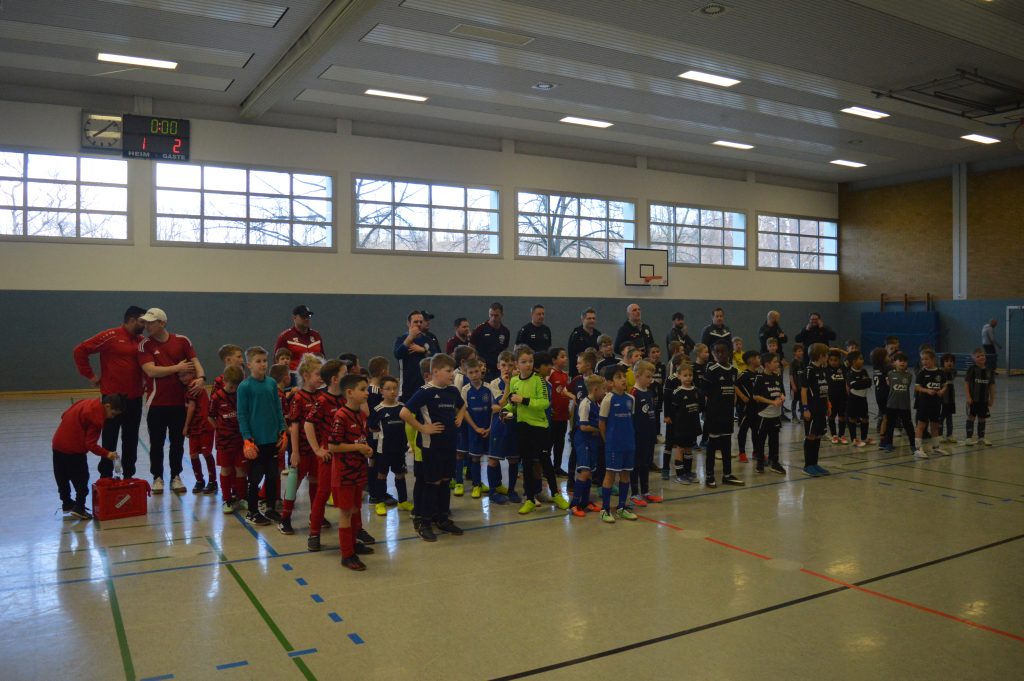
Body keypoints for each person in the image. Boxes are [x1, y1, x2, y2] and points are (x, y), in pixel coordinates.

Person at [73, 305, 146, 479]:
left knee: (131, 440)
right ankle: (105, 475)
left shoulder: (142, 341)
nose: (145, 325)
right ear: (131, 320)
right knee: (109, 438)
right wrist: (90, 375)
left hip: (135, 399)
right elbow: (80, 350)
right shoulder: (110, 336)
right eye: (142, 321)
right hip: (112, 400)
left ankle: (129, 475)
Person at [137, 308, 204, 495]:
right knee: (156, 444)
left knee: (177, 443)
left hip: (179, 403)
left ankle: (176, 476)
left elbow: (195, 362)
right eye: (146, 322)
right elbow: (151, 370)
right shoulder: (145, 345)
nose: (147, 326)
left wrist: (201, 378)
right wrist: (177, 368)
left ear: (162, 323)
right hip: (156, 404)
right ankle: (157, 477)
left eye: (151, 322)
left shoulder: (182, 341)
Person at [401, 353, 467, 542]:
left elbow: (463, 406)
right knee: (432, 483)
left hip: (449, 444)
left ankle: (442, 518)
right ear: (435, 371)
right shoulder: (425, 391)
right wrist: (423, 428)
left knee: (445, 481)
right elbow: (404, 412)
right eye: (448, 371)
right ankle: (424, 522)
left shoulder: (452, 390)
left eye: (452, 371)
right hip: (432, 446)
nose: (452, 375)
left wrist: (460, 416)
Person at [507, 349, 568, 514]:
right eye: (524, 362)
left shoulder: (539, 380)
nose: (528, 365)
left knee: (545, 462)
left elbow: (544, 403)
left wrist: (524, 400)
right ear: (517, 364)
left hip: (540, 427)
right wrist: (505, 411)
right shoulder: (514, 381)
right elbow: (513, 404)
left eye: (530, 361)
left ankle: (556, 494)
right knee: (527, 464)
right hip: (523, 427)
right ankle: (529, 499)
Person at [327, 374, 375, 571]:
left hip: (358, 470)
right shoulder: (341, 416)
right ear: (349, 393)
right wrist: (358, 448)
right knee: (346, 513)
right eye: (362, 389)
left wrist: (366, 449)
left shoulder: (361, 415)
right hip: (344, 474)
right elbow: (333, 446)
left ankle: (354, 543)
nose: (366, 393)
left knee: (356, 509)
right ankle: (347, 555)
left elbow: (359, 440)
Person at [52, 394, 124, 519]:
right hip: (74, 451)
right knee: (82, 480)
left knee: (62, 477)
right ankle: (79, 508)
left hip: (57, 445)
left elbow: (64, 415)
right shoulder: (96, 419)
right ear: (107, 406)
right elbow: (90, 445)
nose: (112, 417)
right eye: (113, 414)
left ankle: (67, 503)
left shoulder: (85, 402)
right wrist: (107, 454)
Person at [236, 346, 286, 526]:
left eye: (265, 361)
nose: (263, 364)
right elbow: (242, 415)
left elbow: (278, 409)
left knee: (272, 475)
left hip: (272, 439)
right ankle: (252, 511)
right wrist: (247, 439)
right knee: (255, 478)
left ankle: (270, 508)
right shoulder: (245, 387)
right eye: (258, 361)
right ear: (249, 364)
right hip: (256, 441)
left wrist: (282, 430)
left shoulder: (271, 383)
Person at [280, 354, 324, 534]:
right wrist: (295, 451)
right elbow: (295, 426)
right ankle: (285, 518)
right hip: (302, 450)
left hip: (317, 449)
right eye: (318, 374)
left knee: (316, 481)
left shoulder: (321, 396)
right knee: (294, 482)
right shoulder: (298, 398)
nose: (321, 378)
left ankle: (316, 515)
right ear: (306, 375)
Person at [306, 360, 347, 550]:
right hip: (328, 455)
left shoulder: (347, 397)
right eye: (345, 373)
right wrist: (317, 449)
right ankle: (314, 533)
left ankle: (356, 531)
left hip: (346, 454)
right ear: (335, 379)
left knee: (350, 494)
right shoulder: (322, 400)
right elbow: (308, 424)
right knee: (322, 493)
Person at [598, 366, 639, 522]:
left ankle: (622, 507)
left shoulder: (631, 399)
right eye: (618, 377)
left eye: (624, 376)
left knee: (625, 474)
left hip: (628, 444)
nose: (623, 379)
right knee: (610, 475)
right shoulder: (608, 399)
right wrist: (607, 440)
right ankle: (605, 509)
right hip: (614, 445)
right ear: (610, 382)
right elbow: (602, 424)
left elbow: (630, 421)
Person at [701, 342, 745, 487]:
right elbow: (703, 391)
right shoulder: (712, 370)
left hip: (727, 414)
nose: (720, 354)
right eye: (717, 352)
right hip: (714, 415)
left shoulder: (733, 370)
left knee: (726, 444)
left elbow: (735, 388)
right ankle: (709, 475)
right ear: (713, 354)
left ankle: (727, 475)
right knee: (712, 446)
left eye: (723, 351)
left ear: (729, 352)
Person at [368, 376, 412, 515]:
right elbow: (372, 428)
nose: (392, 391)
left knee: (400, 474)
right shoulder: (378, 409)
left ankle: (403, 501)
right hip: (383, 450)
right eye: (388, 389)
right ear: (382, 391)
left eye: (394, 388)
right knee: (382, 475)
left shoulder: (402, 407)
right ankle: (380, 502)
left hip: (399, 449)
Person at [209, 366, 246, 512]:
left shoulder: (240, 395)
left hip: (239, 439)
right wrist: (219, 428)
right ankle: (227, 499)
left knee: (240, 468)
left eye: (236, 387)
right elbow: (210, 416)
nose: (233, 389)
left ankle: (242, 497)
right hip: (224, 441)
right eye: (231, 386)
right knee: (226, 469)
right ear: (224, 381)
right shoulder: (216, 397)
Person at [568, 374, 605, 517]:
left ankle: (585, 502)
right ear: (595, 389)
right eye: (602, 389)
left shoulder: (596, 404)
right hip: (583, 440)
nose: (604, 392)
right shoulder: (585, 403)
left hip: (592, 441)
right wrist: (599, 429)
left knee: (589, 473)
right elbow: (583, 426)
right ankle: (574, 504)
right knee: (584, 472)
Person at [628, 361, 662, 506]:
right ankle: (634, 493)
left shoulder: (649, 392)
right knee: (636, 464)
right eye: (647, 377)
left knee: (646, 464)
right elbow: (630, 418)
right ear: (637, 376)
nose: (650, 380)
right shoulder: (633, 394)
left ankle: (646, 491)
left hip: (649, 436)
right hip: (637, 437)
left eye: (651, 377)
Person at [460, 359, 493, 499]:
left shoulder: (489, 388)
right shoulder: (465, 390)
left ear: (481, 371)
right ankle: (476, 485)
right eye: (471, 372)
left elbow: (494, 410)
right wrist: (475, 428)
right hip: (474, 430)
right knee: (475, 458)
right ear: (466, 374)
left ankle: (494, 485)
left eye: (476, 371)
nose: (474, 375)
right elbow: (464, 411)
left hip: (489, 429)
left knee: (492, 458)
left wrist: (490, 427)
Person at [180, 367, 216, 494]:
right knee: (193, 454)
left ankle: (212, 481)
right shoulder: (186, 387)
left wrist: (185, 426)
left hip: (204, 425)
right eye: (180, 376)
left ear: (193, 374)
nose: (182, 378)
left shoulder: (193, 386)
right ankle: (199, 480)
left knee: (206, 453)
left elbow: (191, 407)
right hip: (195, 427)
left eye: (185, 375)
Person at [751, 353, 786, 475]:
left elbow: (782, 392)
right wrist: (772, 402)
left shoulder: (777, 377)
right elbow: (755, 396)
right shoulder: (760, 378)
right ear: (767, 364)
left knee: (774, 441)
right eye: (775, 362)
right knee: (761, 440)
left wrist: (782, 397)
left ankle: (774, 463)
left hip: (776, 415)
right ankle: (760, 463)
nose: (777, 364)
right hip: (764, 414)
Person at [801, 343, 832, 475]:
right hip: (812, 408)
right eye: (826, 355)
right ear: (820, 356)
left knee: (818, 435)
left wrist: (828, 405)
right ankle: (808, 465)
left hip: (821, 408)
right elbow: (803, 390)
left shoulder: (823, 369)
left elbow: (825, 389)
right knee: (811, 435)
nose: (828, 357)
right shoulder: (809, 370)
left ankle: (815, 463)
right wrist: (805, 408)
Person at [913, 349, 948, 459]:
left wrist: (942, 390)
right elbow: (917, 387)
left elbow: (945, 384)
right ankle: (918, 448)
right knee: (921, 425)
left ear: (933, 359)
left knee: (935, 425)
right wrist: (927, 390)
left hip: (936, 403)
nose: (924, 361)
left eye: (926, 359)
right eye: (922, 359)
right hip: (924, 403)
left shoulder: (940, 372)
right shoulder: (922, 373)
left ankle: (936, 447)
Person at [670, 363, 701, 483]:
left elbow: (699, 407)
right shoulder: (677, 392)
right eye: (685, 375)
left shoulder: (696, 390)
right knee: (680, 448)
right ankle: (680, 474)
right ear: (679, 376)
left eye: (690, 375)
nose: (688, 378)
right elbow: (674, 411)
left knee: (689, 448)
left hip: (693, 425)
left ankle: (688, 472)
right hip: (681, 427)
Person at [880, 352, 916, 454]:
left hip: (904, 406)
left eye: (904, 361)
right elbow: (888, 383)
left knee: (908, 426)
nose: (902, 363)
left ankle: (913, 444)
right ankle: (888, 444)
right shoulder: (890, 374)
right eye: (900, 361)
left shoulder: (909, 375)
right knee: (890, 425)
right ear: (894, 362)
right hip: (892, 404)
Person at [393, 310, 430, 402]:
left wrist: (423, 350)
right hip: (407, 386)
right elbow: (398, 354)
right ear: (408, 323)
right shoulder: (401, 339)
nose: (419, 324)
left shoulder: (427, 339)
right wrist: (410, 338)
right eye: (416, 322)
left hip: (424, 384)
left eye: (421, 322)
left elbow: (436, 356)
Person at [275, 305, 325, 372]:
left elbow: (323, 358)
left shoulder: (316, 336)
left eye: (309, 316)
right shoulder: (285, 337)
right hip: (293, 376)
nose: (306, 319)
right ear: (294, 317)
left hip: (314, 376)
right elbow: (277, 362)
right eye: (303, 316)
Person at [470, 302, 510, 380]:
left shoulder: (505, 331)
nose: (493, 318)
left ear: (502, 315)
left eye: (496, 315)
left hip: (498, 369)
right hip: (483, 369)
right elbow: (471, 347)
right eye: (491, 315)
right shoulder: (480, 329)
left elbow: (504, 350)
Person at [965, 348, 996, 446]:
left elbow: (991, 385)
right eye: (978, 356)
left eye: (982, 355)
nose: (981, 357)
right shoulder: (972, 369)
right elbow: (966, 383)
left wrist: (992, 399)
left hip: (984, 400)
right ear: (974, 358)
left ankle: (981, 438)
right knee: (971, 417)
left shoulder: (989, 371)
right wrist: (968, 396)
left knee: (982, 418)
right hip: (973, 399)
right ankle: (968, 438)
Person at [734, 350, 761, 464]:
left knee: (756, 430)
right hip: (745, 408)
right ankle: (742, 453)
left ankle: (756, 452)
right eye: (758, 358)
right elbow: (734, 385)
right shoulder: (744, 375)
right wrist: (742, 396)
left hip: (756, 408)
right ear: (751, 360)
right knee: (743, 430)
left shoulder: (759, 374)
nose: (759, 360)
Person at [547, 347, 571, 476]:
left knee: (560, 443)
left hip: (563, 415)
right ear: (554, 360)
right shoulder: (550, 373)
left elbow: (565, 392)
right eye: (562, 356)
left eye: (565, 356)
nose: (565, 358)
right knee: (549, 443)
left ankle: (557, 467)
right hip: (552, 416)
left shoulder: (565, 375)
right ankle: (546, 468)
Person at [844, 351, 873, 447]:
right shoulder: (850, 373)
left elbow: (869, 382)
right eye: (860, 359)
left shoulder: (864, 371)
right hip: (853, 398)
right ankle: (854, 439)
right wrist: (863, 382)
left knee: (865, 418)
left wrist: (861, 382)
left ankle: (864, 438)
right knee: (852, 418)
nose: (862, 361)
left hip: (863, 398)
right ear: (853, 361)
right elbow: (854, 385)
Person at [567, 308, 601, 377]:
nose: (592, 320)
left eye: (593, 318)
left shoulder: (598, 335)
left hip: (594, 372)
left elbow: (600, 354)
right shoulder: (576, 334)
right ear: (582, 319)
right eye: (589, 318)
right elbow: (572, 356)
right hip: (577, 373)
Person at [825, 350, 848, 444]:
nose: (833, 362)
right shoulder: (826, 368)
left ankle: (841, 435)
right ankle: (834, 435)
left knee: (842, 416)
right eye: (831, 360)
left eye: (836, 360)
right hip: (831, 397)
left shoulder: (843, 367)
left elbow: (850, 356)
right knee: (831, 416)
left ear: (839, 360)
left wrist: (838, 350)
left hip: (843, 397)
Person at [939, 353, 958, 444]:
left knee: (949, 417)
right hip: (942, 399)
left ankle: (949, 435)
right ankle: (939, 434)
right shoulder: (940, 372)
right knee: (941, 417)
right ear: (942, 363)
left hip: (951, 398)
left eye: (951, 361)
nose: (949, 363)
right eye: (946, 361)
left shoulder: (953, 372)